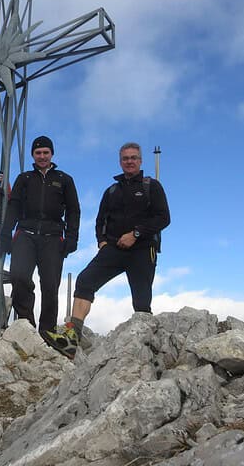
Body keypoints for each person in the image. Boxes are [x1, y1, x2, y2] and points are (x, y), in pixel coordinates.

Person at [42, 142, 170, 359]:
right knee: (85, 281)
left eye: (133, 158)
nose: (129, 161)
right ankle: (72, 338)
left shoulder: (152, 186)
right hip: (114, 249)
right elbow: (100, 220)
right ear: (120, 162)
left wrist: (136, 234)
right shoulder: (112, 191)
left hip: (142, 250)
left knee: (141, 303)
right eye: (125, 158)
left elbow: (163, 218)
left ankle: (148, 352)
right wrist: (102, 242)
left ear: (140, 161)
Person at [0, 135, 80, 334]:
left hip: (53, 237)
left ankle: (47, 331)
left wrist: (72, 237)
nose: (42, 156)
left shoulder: (64, 179)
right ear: (33, 155)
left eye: (45, 152)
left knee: (50, 285)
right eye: (38, 153)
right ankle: (26, 326)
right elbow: (14, 207)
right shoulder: (24, 178)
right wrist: (5, 235)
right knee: (18, 276)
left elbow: (74, 210)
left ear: (52, 154)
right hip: (25, 233)